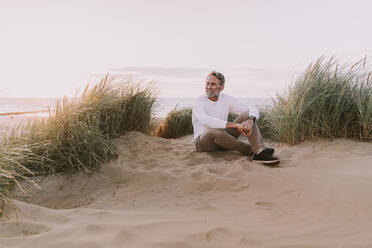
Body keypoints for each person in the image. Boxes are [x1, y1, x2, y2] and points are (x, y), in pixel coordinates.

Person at [192, 71, 279, 164]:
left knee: (247, 114)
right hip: (204, 143)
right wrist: (236, 125)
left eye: (213, 84)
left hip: (222, 139)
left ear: (221, 87)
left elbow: (251, 109)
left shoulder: (226, 99)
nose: (208, 87)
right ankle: (249, 150)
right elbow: (206, 120)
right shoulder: (199, 101)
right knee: (213, 132)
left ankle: (259, 151)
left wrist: (251, 120)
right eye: (207, 83)